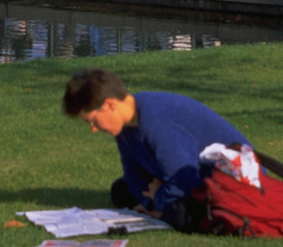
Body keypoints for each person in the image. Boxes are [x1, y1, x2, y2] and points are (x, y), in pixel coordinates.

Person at [62, 68, 251, 232]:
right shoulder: (125, 127)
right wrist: (151, 202)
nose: (94, 129)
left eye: (93, 121)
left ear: (110, 105)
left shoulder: (155, 122)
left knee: (180, 214)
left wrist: (158, 198)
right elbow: (133, 176)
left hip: (233, 182)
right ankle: (162, 209)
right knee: (120, 190)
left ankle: (164, 211)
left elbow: (184, 180)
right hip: (181, 177)